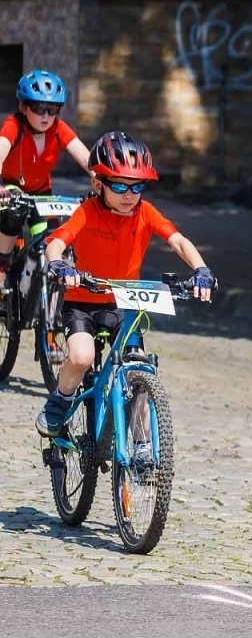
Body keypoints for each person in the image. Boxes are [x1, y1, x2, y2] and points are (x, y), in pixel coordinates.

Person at [35, 132, 216, 465]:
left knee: (139, 367)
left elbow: (178, 241)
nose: (129, 195)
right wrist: (59, 263)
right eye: (119, 186)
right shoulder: (88, 211)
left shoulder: (145, 213)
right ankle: (59, 401)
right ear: (99, 182)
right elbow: (57, 241)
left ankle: (144, 445)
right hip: (83, 300)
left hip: (124, 305)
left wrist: (201, 269)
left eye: (137, 186)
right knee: (81, 356)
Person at [0, 70, 92, 289]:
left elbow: (87, 159)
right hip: (14, 187)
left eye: (53, 110)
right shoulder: (14, 124)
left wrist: (104, 181)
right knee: (11, 213)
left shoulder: (58, 128)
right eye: (39, 108)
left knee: (47, 238)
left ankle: (44, 295)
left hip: (42, 192)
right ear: (24, 107)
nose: (46, 116)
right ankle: (3, 264)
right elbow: (2, 148)